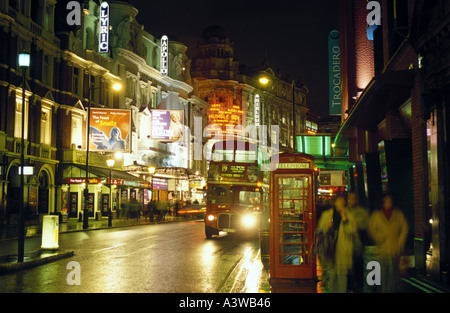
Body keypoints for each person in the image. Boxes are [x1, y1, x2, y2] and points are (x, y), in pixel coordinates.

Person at [368, 194, 408, 293]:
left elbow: (404, 228)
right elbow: (371, 229)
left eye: (390, 201)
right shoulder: (377, 215)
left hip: (394, 250)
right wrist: (379, 237)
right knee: (382, 277)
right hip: (381, 251)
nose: (388, 204)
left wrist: (400, 242)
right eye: (386, 201)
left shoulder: (398, 214)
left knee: (393, 278)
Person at [317, 194, 357, 293]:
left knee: (342, 279)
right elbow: (319, 232)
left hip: (343, 250)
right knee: (332, 278)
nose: (341, 203)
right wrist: (327, 227)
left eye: (343, 201)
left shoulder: (349, 215)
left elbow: (352, 230)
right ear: (334, 203)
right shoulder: (326, 215)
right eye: (339, 201)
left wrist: (345, 219)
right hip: (330, 251)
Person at [346, 192, 370, 292]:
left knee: (358, 265)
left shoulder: (363, 212)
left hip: (358, 242)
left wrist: (360, 226)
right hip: (346, 243)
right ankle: (350, 286)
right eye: (351, 198)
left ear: (357, 199)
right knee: (348, 267)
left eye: (354, 198)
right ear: (348, 199)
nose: (353, 200)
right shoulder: (343, 211)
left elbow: (367, 225)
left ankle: (359, 286)